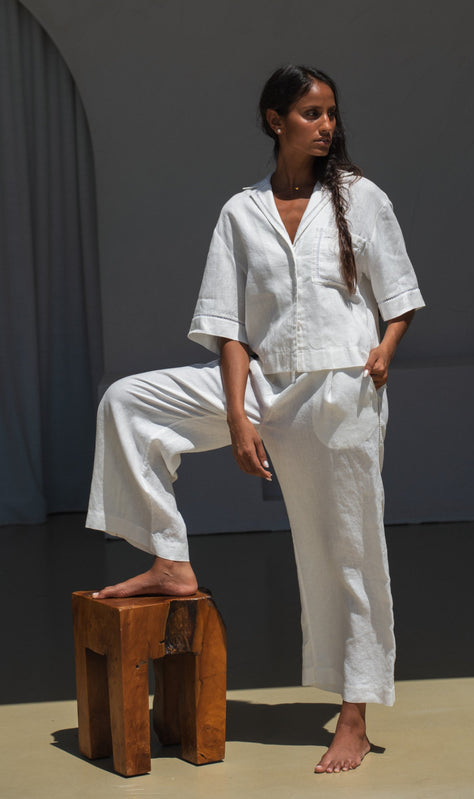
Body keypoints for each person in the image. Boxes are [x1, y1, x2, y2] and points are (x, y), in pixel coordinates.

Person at [86, 64, 425, 774]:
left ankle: (353, 715)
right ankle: (169, 558)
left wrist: (384, 353)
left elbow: (398, 297)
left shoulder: (360, 199)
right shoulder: (241, 211)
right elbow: (229, 327)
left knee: (345, 550)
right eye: (310, 112)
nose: (325, 124)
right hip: (260, 381)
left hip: (338, 389)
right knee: (128, 400)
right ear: (275, 120)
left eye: (331, 111)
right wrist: (241, 419)